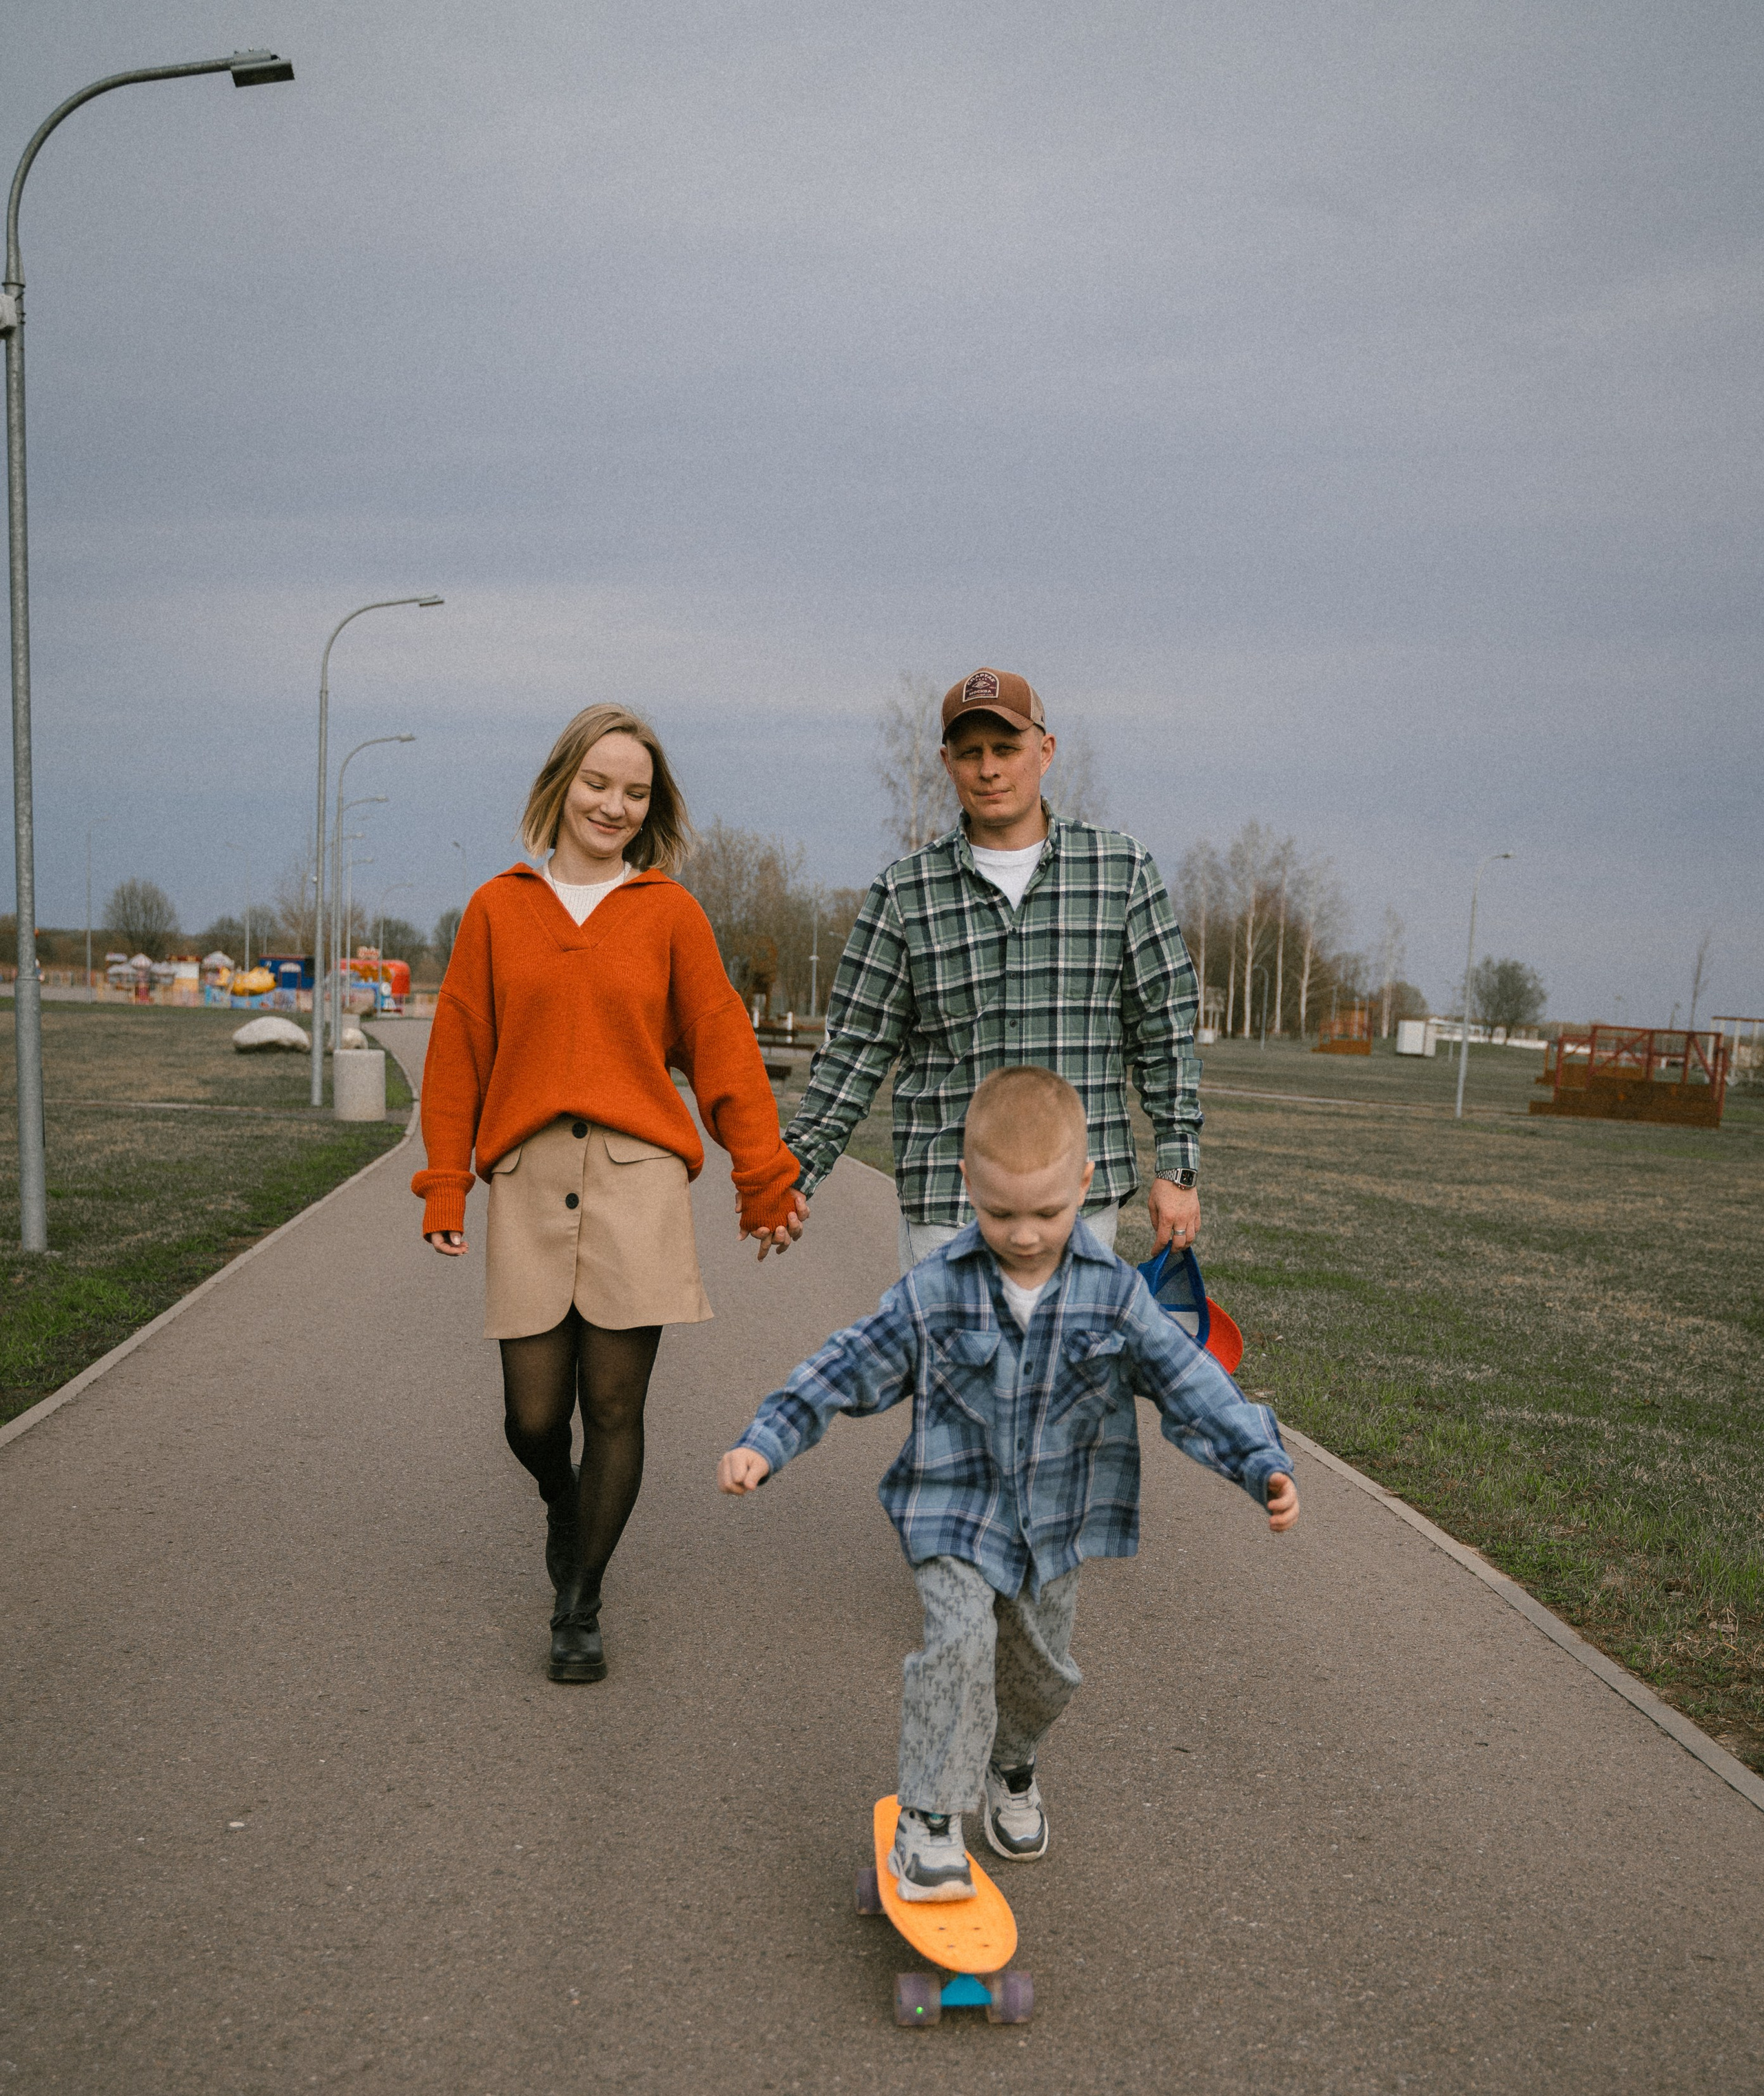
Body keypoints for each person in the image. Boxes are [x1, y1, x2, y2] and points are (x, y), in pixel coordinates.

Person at [719, 1067, 1297, 1899]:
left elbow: (1190, 1383)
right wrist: (767, 1440)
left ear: (1085, 1185)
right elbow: (848, 1363)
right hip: (953, 1510)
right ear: (968, 1185)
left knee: (1041, 1673)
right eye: (1000, 1215)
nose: (1024, 1235)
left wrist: (1260, 1462)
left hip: (1058, 1523)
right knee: (957, 1645)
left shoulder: (1113, 1296)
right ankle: (928, 1822)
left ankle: (1013, 1763)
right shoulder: (937, 1290)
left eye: (1046, 1214)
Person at [418, 701, 808, 1685]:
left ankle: (579, 1602)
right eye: (597, 783)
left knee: (614, 1406)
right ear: (561, 785)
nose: (613, 805)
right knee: (533, 1419)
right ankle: (564, 1503)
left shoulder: (669, 914)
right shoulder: (497, 908)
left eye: (635, 792)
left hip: (639, 1182)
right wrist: (445, 1182)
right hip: (529, 1178)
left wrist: (763, 1178)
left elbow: (722, 1047)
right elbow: (458, 1051)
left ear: (651, 806)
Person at [783, 665, 1203, 1279]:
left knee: (1068, 1350)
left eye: (1006, 749)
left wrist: (1178, 1171)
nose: (989, 769)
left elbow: (1165, 1033)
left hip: (1077, 1207)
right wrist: (793, 1172)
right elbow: (854, 1049)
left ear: (1046, 751)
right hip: (949, 1209)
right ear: (947, 762)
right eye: (970, 753)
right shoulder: (905, 892)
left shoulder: (1121, 872)